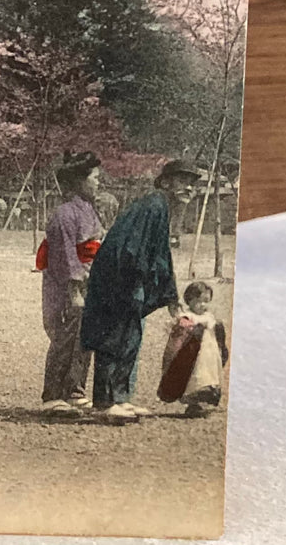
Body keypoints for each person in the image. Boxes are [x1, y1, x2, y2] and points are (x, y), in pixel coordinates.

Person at [81, 159, 202, 424]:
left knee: (129, 337)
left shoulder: (161, 207)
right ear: (166, 181)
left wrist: (169, 293)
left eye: (193, 183)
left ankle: (120, 399)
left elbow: (159, 254)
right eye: (183, 181)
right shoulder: (154, 205)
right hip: (120, 281)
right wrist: (140, 286)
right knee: (114, 337)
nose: (189, 188)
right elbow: (134, 249)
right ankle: (104, 402)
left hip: (130, 281)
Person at [40, 151, 103, 417]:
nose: (99, 183)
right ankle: (53, 394)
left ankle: (75, 390)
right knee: (65, 336)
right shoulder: (65, 214)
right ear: (79, 181)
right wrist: (74, 290)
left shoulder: (90, 210)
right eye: (95, 178)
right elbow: (65, 255)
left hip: (88, 280)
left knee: (84, 337)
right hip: (67, 285)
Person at [158, 281, 229, 417]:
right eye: (198, 301)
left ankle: (203, 401)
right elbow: (181, 329)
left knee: (209, 376)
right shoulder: (188, 316)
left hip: (209, 355)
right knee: (195, 378)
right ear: (189, 301)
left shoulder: (209, 316)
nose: (202, 305)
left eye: (206, 301)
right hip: (194, 356)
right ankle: (193, 404)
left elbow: (216, 330)